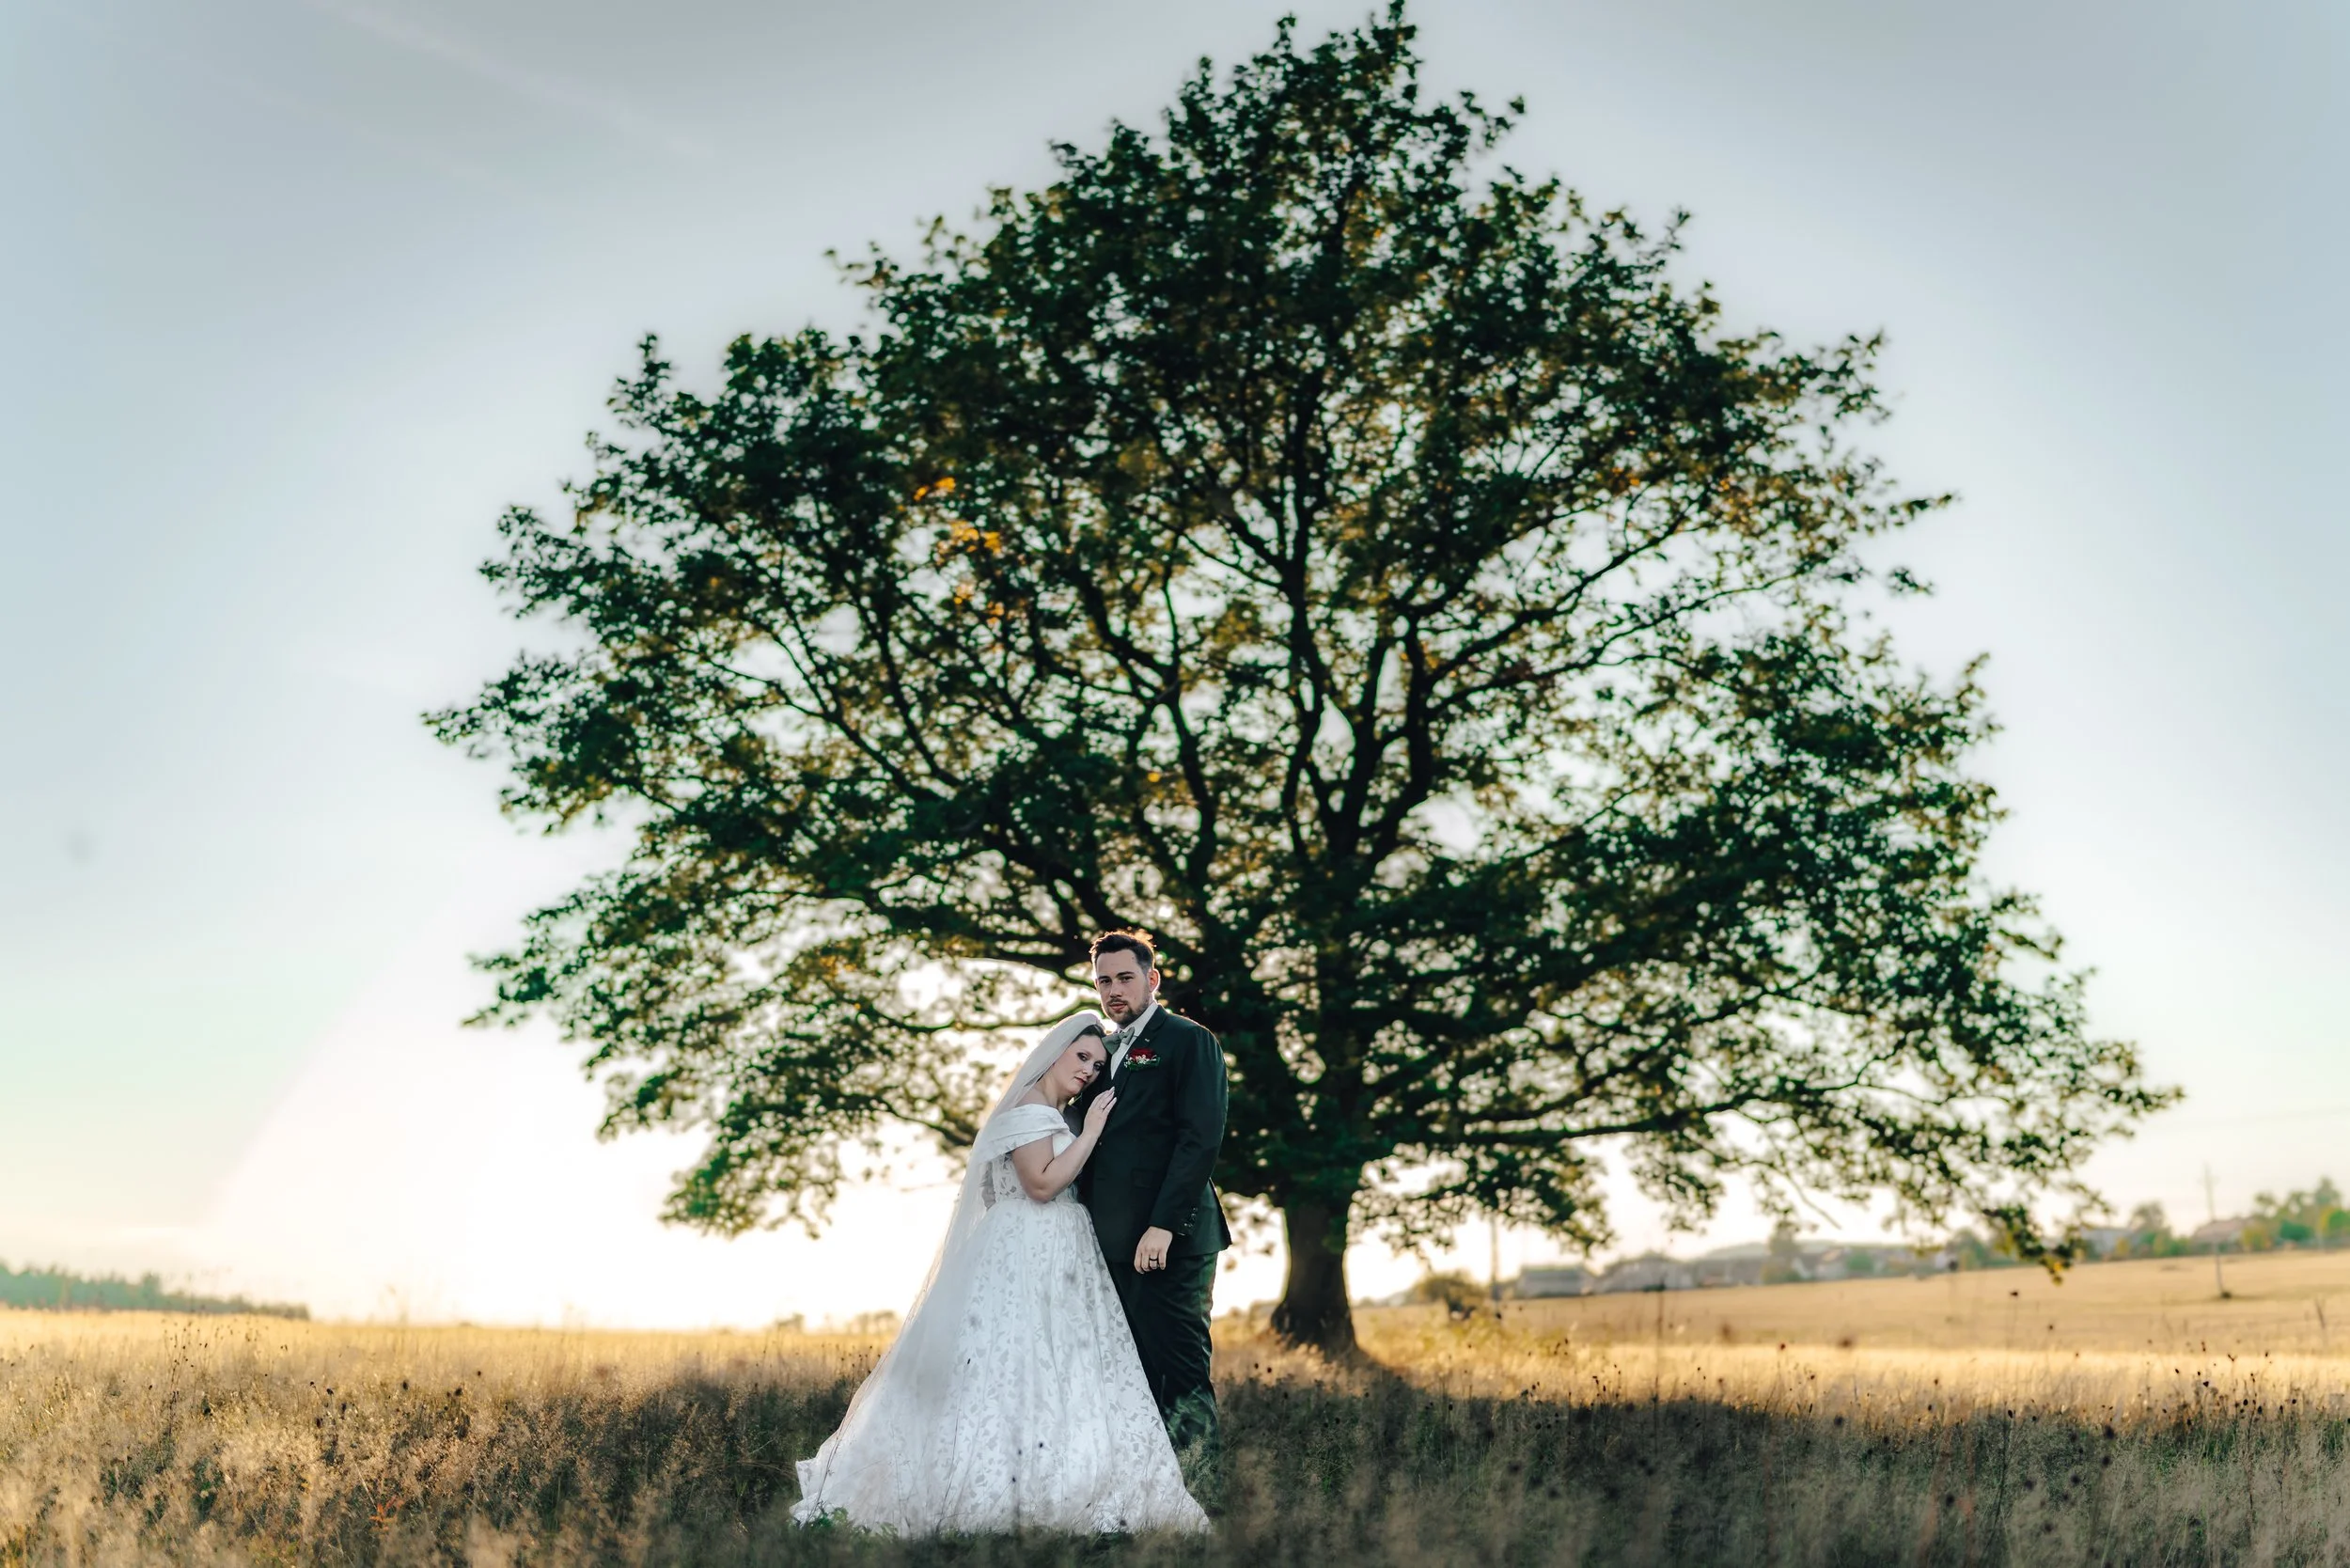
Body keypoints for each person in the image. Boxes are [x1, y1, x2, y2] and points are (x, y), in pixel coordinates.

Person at [791, 1012, 1210, 1536]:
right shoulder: (1030, 1113)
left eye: (1097, 1065)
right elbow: (1040, 1185)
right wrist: (1094, 1130)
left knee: (1063, 1364)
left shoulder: (1052, 1115)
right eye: (1081, 1057)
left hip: (1055, 1248)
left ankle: (1064, 1479)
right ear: (1054, 1052)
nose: (1087, 1071)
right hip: (1030, 1245)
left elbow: (1003, 1190)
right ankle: (999, 1490)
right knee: (1012, 1363)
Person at [1071, 930, 1233, 1503]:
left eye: (1124, 978)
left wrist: (1163, 1225)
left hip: (1172, 1241)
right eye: (1103, 982)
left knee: (1180, 1370)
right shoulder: (1100, 1052)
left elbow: (1199, 1138)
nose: (1114, 991)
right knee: (1129, 1376)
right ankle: (1146, 1501)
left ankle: (1202, 1502)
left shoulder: (1188, 1041)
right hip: (1109, 1244)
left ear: (1152, 979)